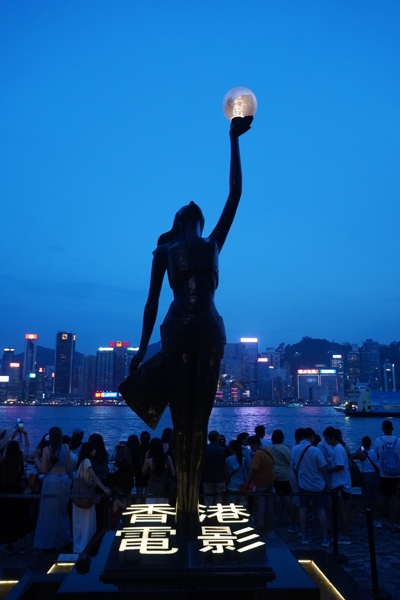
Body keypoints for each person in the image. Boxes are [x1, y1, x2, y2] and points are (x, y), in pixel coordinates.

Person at [128, 114, 253, 533]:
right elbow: (151, 301)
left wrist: (234, 140)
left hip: (189, 330)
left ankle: (189, 506)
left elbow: (235, 193)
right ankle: (188, 508)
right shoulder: (176, 248)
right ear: (186, 219)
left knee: (189, 423)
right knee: (191, 423)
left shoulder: (202, 244)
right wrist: (140, 348)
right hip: (200, 330)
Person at [34, 426, 72, 551]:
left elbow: (44, 469)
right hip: (64, 480)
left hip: (51, 480)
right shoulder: (66, 447)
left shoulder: (47, 449)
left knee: (48, 514)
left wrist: (36, 459)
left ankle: (47, 544)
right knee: (63, 512)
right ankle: (65, 540)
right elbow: (68, 468)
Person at [291, 427, 329, 547]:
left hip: (303, 485)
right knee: (321, 511)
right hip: (317, 485)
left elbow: (294, 467)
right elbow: (323, 468)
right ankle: (325, 538)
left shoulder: (295, 449)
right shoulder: (315, 450)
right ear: (312, 437)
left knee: (303, 510)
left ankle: (304, 536)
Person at [72, 442, 111, 553]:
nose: (95, 451)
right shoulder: (87, 461)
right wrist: (104, 489)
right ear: (89, 451)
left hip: (78, 496)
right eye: (93, 449)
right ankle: (86, 546)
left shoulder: (80, 462)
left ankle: (77, 546)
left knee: (78, 522)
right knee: (87, 521)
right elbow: (93, 476)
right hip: (86, 497)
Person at [0, 440, 33, 554]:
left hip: (6, 495)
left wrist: (12, 436)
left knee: (7, 519)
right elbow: (27, 447)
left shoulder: (4, 462)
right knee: (21, 519)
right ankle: (23, 545)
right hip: (18, 494)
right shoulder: (19, 460)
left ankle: (9, 545)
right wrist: (25, 435)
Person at [324, 426, 352, 545]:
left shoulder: (337, 449)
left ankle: (345, 536)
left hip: (340, 484)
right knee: (343, 511)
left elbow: (340, 465)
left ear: (332, 437)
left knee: (342, 511)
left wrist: (330, 470)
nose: (326, 441)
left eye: (327, 438)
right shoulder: (340, 448)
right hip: (343, 483)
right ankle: (345, 533)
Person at [245, 435, 275, 535]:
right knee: (269, 505)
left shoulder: (258, 453)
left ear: (255, 444)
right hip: (270, 481)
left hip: (261, 482)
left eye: (251, 446)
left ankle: (260, 526)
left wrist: (246, 481)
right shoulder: (267, 449)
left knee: (260, 505)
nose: (251, 448)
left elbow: (253, 469)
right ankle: (269, 524)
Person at [374, 420, 400, 531]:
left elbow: (377, 456)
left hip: (384, 474)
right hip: (397, 475)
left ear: (382, 429)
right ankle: (396, 522)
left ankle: (378, 520)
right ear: (392, 428)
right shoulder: (398, 441)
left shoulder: (378, 441)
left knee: (382, 497)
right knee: (397, 499)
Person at [352, 436, 381, 527]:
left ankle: (368, 514)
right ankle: (377, 517)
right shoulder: (375, 452)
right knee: (376, 496)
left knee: (366, 496)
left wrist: (359, 448)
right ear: (370, 443)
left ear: (363, 444)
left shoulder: (361, 453)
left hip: (365, 476)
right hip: (375, 476)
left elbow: (352, 456)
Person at [142, 438, 175, 504]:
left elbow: (143, 472)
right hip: (164, 491)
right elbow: (173, 473)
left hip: (152, 490)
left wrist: (145, 458)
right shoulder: (168, 459)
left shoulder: (149, 461)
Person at [271, 429, 293, 521]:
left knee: (278, 495)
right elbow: (290, 461)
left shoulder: (270, 448)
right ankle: (290, 516)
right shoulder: (284, 448)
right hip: (285, 475)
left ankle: (277, 514)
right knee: (287, 496)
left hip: (275, 475)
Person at [88, 433, 110, 528]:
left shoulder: (90, 456)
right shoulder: (105, 454)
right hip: (103, 480)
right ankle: (102, 525)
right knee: (102, 504)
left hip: (93, 481)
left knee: (93, 505)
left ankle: (93, 526)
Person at [202, 431, 227, 507]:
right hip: (220, 478)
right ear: (217, 438)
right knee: (218, 499)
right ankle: (218, 512)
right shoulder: (222, 450)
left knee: (208, 499)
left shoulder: (205, 449)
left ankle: (208, 512)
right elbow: (224, 464)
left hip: (208, 478)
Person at [225, 439, 248, 505]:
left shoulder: (228, 459)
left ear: (232, 448)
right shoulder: (242, 459)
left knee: (231, 505)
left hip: (231, 485)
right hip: (240, 485)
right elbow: (244, 472)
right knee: (240, 504)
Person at [135, 431, 151, 498]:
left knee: (139, 494)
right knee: (147, 494)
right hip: (149, 473)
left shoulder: (137, 449)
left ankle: (138, 503)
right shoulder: (151, 449)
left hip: (139, 473)